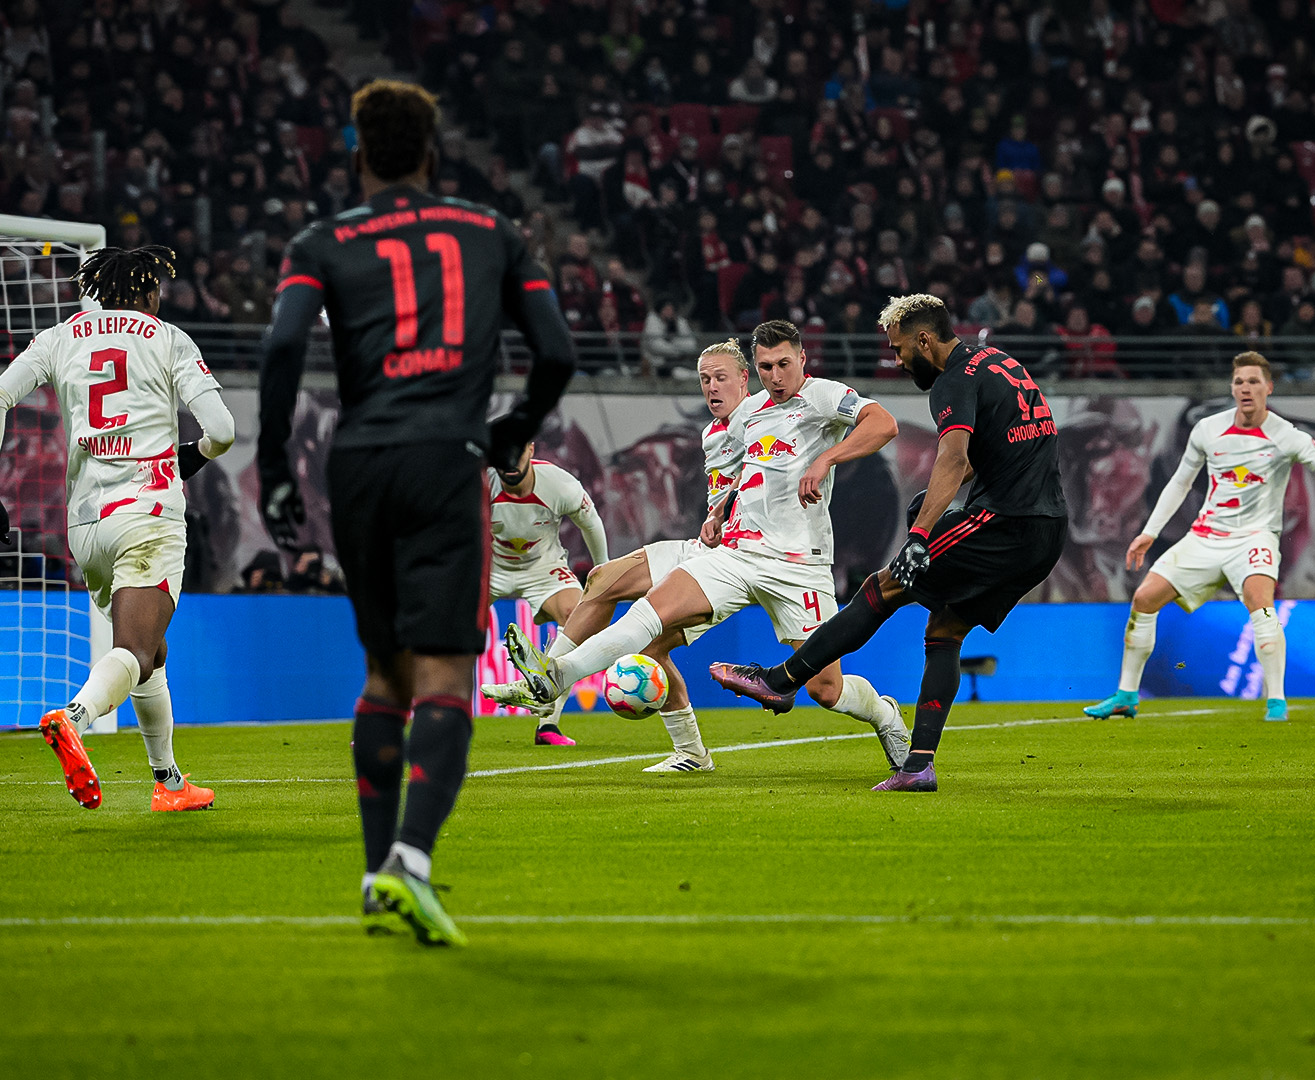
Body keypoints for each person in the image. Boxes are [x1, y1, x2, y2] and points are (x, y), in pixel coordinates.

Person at [254, 81, 575, 947]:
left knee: (383, 675)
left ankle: (373, 877)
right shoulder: (492, 232)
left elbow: (283, 344)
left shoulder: (320, 240)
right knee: (441, 677)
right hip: (444, 460)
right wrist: (512, 428)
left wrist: (273, 463)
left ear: (357, 153)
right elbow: (556, 351)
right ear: (435, 152)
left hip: (358, 465)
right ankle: (413, 865)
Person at [495, 321, 910, 769]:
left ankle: (884, 714)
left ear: (802, 360)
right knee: (648, 616)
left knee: (826, 690)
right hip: (736, 555)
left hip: (799, 568)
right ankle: (556, 676)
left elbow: (883, 424)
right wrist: (716, 515)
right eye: (766, 366)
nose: (775, 376)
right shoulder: (747, 416)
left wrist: (828, 456)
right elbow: (740, 474)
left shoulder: (822, 396)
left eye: (783, 364)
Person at [709, 295, 1067, 793]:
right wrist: (934, 504)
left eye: (900, 349)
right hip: (1046, 531)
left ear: (925, 340)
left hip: (1002, 523)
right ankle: (918, 766)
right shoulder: (1002, 363)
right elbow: (980, 459)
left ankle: (781, 679)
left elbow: (952, 454)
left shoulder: (952, 380)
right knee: (944, 629)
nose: (897, 360)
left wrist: (920, 535)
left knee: (883, 587)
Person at [0, 245, 234, 812]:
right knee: (135, 647)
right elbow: (224, 429)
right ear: (144, 291)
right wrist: (198, 451)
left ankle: (169, 783)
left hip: (87, 526)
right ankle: (74, 719)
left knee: (151, 651)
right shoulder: (168, 338)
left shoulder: (61, 336)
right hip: (147, 513)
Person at [1081, 352, 1315, 724]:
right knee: (1145, 599)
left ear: (1268, 388)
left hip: (1255, 538)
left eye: (1253, 382)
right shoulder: (1207, 430)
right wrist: (1149, 532)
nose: (1245, 389)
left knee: (1260, 602)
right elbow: (1180, 482)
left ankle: (1276, 702)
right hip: (1205, 536)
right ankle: (1126, 696)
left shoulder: (1287, 436)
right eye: (1239, 382)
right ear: (1233, 388)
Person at [487, 441, 609, 747]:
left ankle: (548, 724)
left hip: (544, 568)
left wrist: (604, 571)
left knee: (579, 617)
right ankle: (399, 723)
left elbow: (590, 523)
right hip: (487, 567)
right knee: (437, 630)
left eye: (517, 451)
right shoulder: (476, 483)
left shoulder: (560, 484)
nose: (510, 460)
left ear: (530, 448)